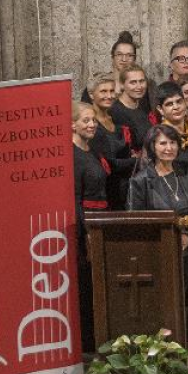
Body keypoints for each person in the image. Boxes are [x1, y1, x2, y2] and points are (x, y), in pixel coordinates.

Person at [128, 124, 188, 345]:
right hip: (159, 254)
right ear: (152, 147)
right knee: (164, 305)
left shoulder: (187, 171)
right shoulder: (141, 181)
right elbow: (136, 221)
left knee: (187, 300)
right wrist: (173, 238)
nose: (169, 148)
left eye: (172, 142)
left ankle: (183, 342)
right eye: (163, 143)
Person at [71, 101, 109, 352]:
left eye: (93, 119)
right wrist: (85, 232)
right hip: (88, 225)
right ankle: (87, 341)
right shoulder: (73, 155)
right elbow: (75, 199)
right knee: (87, 284)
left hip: (102, 220)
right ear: (71, 124)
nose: (92, 124)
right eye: (86, 120)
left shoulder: (91, 149)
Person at [85, 73, 137, 208]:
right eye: (103, 91)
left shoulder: (116, 118)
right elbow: (108, 164)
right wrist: (138, 160)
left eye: (112, 91)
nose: (109, 96)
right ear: (91, 94)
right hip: (105, 193)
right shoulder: (90, 125)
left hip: (126, 190)